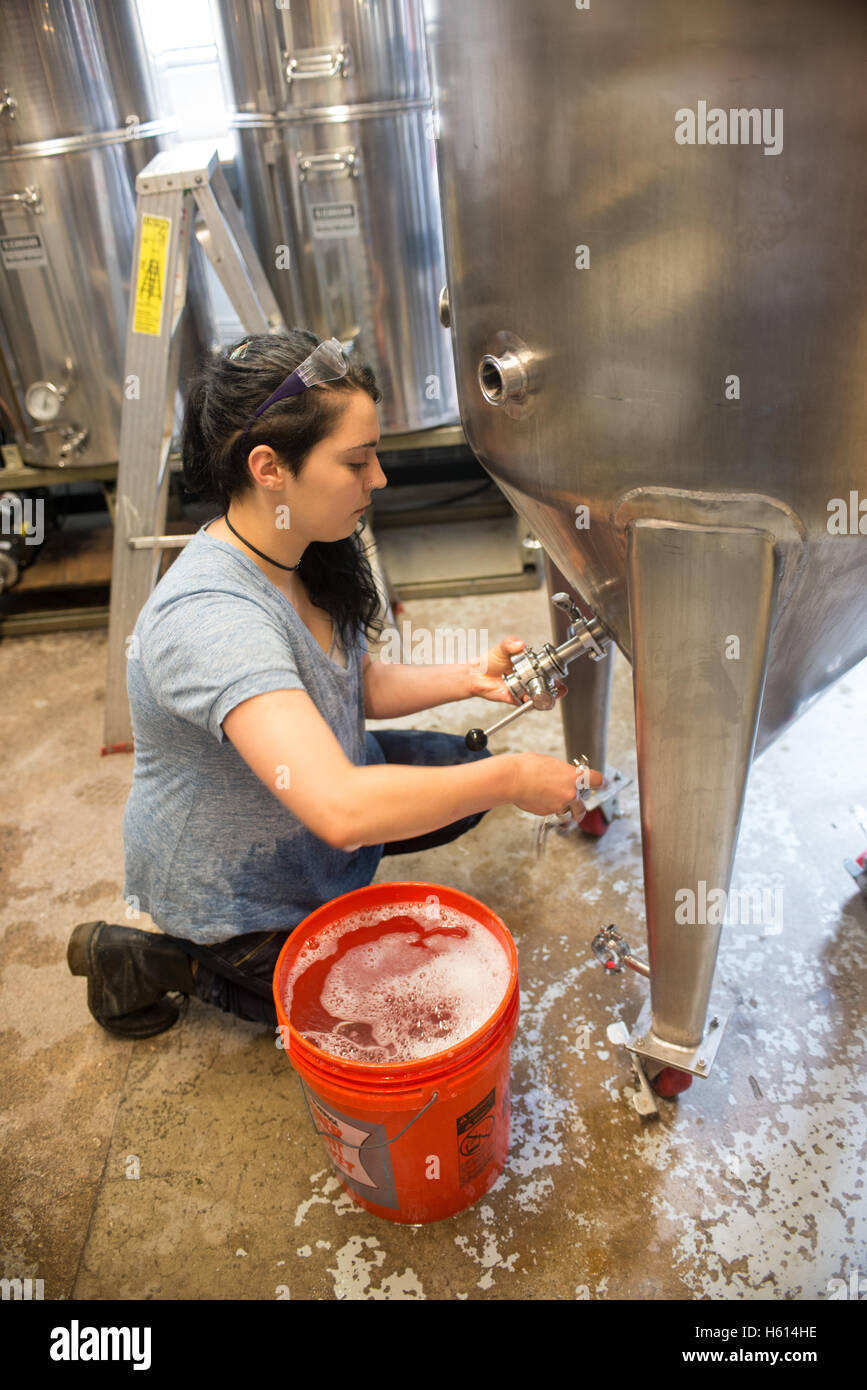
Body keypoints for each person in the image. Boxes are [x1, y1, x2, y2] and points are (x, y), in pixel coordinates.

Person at [67, 329, 602, 1039]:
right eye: (356, 461)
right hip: (241, 891)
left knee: (460, 785)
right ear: (268, 468)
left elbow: (353, 682)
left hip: (309, 815)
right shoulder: (209, 620)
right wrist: (511, 779)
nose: (377, 479)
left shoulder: (303, 548)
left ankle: (340, 881)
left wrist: (466, 678)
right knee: (367, 1020)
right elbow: (342, 809)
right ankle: (171, 962)